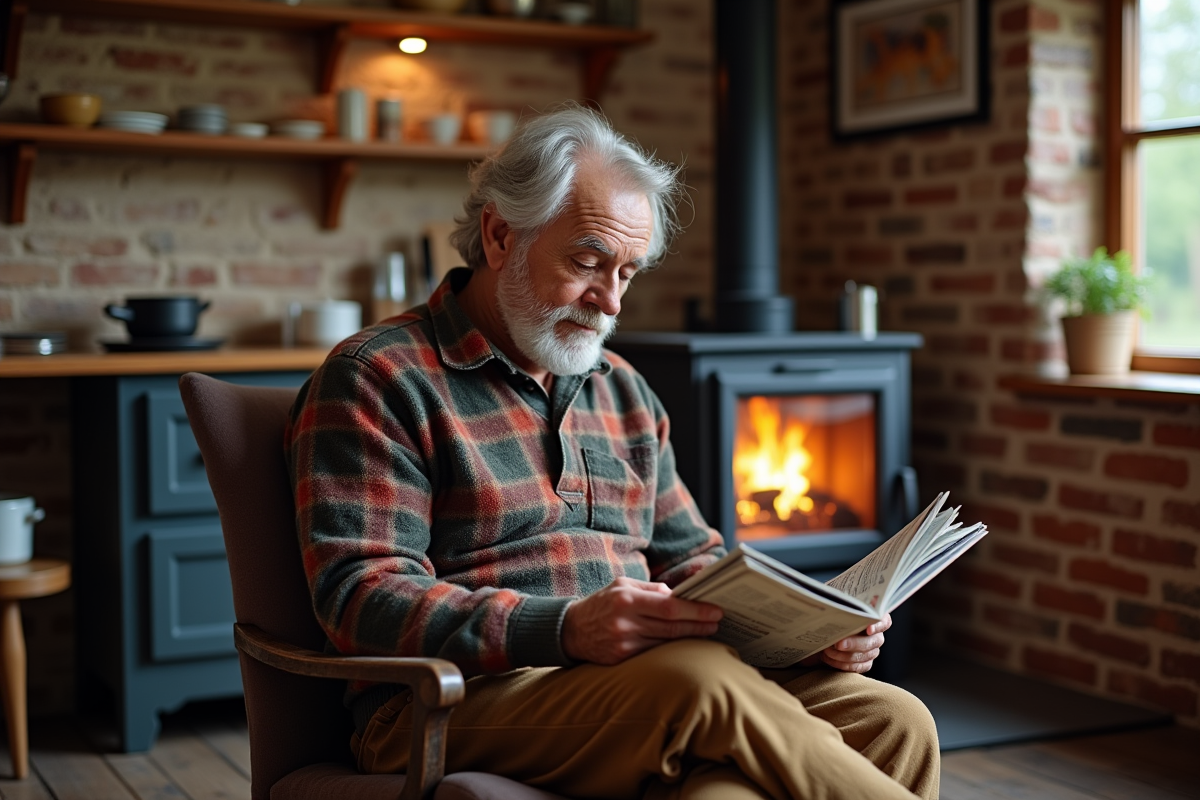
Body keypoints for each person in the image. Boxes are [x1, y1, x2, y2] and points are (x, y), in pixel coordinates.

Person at [285, 105, 939, 800]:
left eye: (628, 272)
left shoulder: (621, 388)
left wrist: (807, 631)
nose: (611, 302)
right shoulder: (378, 377)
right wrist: (563, 628)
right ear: (501, 235)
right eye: (589, 262)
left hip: (646, 690)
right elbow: (361, 598)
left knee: (892, 719)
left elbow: (691, 560)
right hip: (450, 701)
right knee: (700, 685)